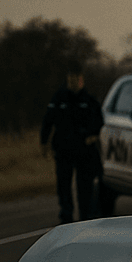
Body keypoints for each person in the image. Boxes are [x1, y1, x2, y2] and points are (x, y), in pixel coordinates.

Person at [39, 62, 104, 224]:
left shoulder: (89, 100)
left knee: (85, 186)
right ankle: (66, 216)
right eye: (70, 79)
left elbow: (99, 121)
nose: (73, 82)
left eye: (76, 79)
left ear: (81, 80)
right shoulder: (59, 98)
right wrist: (43, 142)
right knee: (63, 185)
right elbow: (48, 121)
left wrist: (93, 135)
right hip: (63, 149)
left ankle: (85, 217)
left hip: (84, 151)